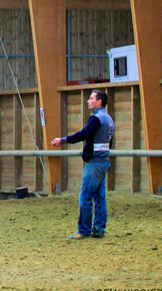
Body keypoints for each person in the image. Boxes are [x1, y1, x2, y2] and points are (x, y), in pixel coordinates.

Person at [50, 90, 114, 239]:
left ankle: (84, 230)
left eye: (91, 98)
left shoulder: (96, 119)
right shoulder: (109, 120)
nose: (88, 101)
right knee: (100, 197)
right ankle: (98, 229)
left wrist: (63, 140)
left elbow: (83, 134)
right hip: (104, 161)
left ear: (99, 102)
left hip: (94, 163)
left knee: (85, 197)